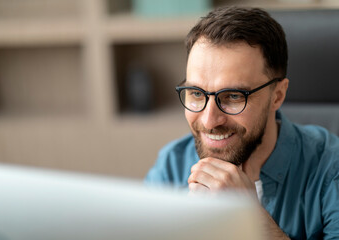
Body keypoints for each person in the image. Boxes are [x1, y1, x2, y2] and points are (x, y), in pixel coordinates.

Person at [145, 6, 339, 239]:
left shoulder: (330, 168)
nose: (209, 120)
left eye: (234, 97)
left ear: (277, 95)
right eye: (196, 93)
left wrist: (254, 221)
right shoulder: (171, 166)